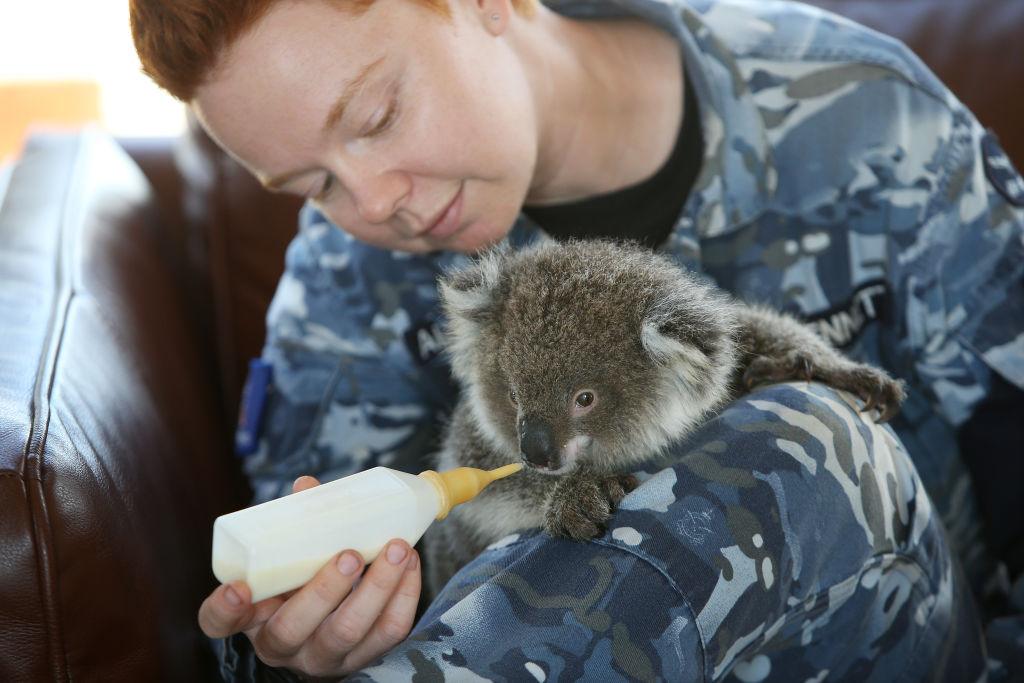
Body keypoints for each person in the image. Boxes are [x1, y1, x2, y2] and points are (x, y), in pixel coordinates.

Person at [129, 0, 1024, 679]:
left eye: (374, 117)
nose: (369, 203)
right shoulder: (346, 273)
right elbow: (316, 560)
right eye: (313, 183)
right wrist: (312, 638)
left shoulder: (871, 119)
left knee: (801, 435)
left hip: (904, 632)